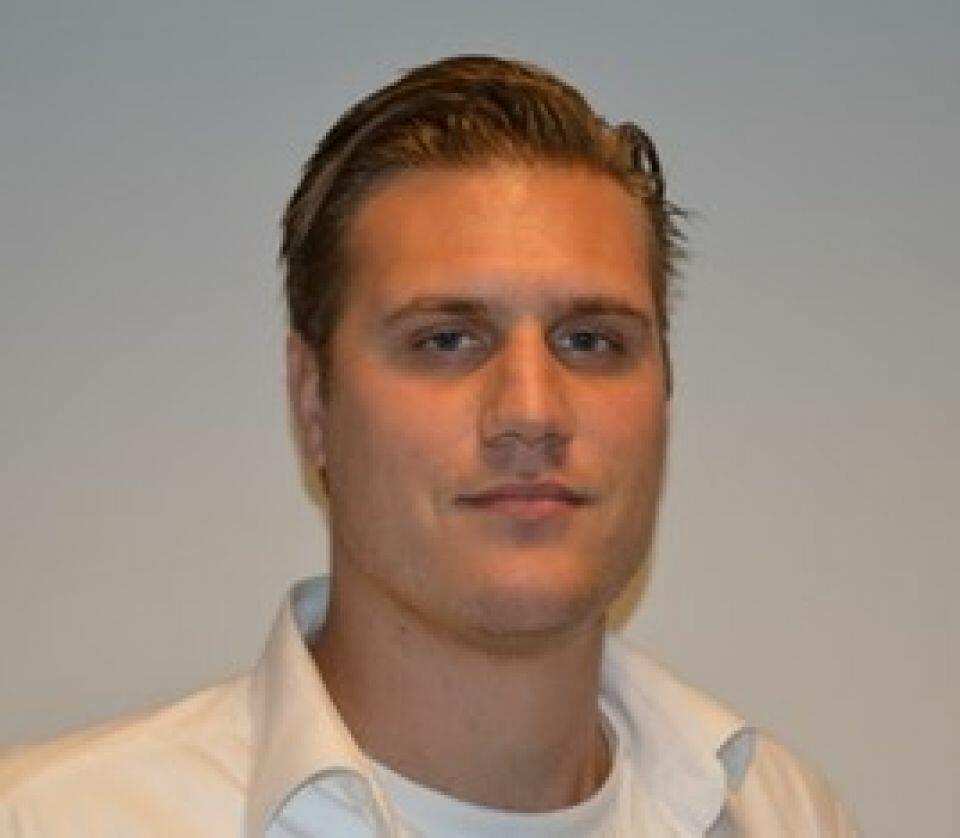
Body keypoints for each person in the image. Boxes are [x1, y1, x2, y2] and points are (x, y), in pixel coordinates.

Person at [0, 55, 856, 836]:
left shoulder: (780, 815)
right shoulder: (54, 822)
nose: (531, 411)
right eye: (447, 340)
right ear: (313, 401)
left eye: (590, 340)